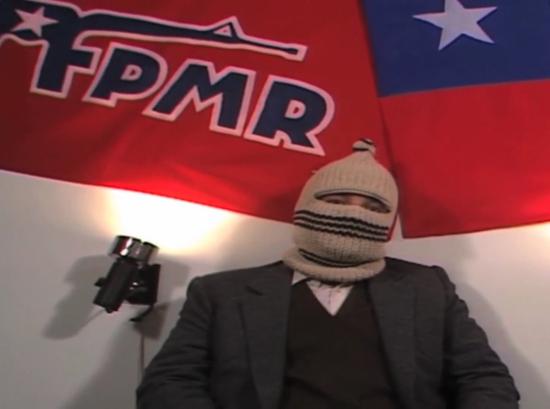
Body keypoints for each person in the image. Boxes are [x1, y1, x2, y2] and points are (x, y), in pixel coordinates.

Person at [136, 139, 520, 409]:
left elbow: (485, 379)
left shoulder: (428, 288)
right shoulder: (222, 293)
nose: (353, 213)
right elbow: (168, 383)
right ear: (306, 207)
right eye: (337, 201)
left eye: (372, 207)